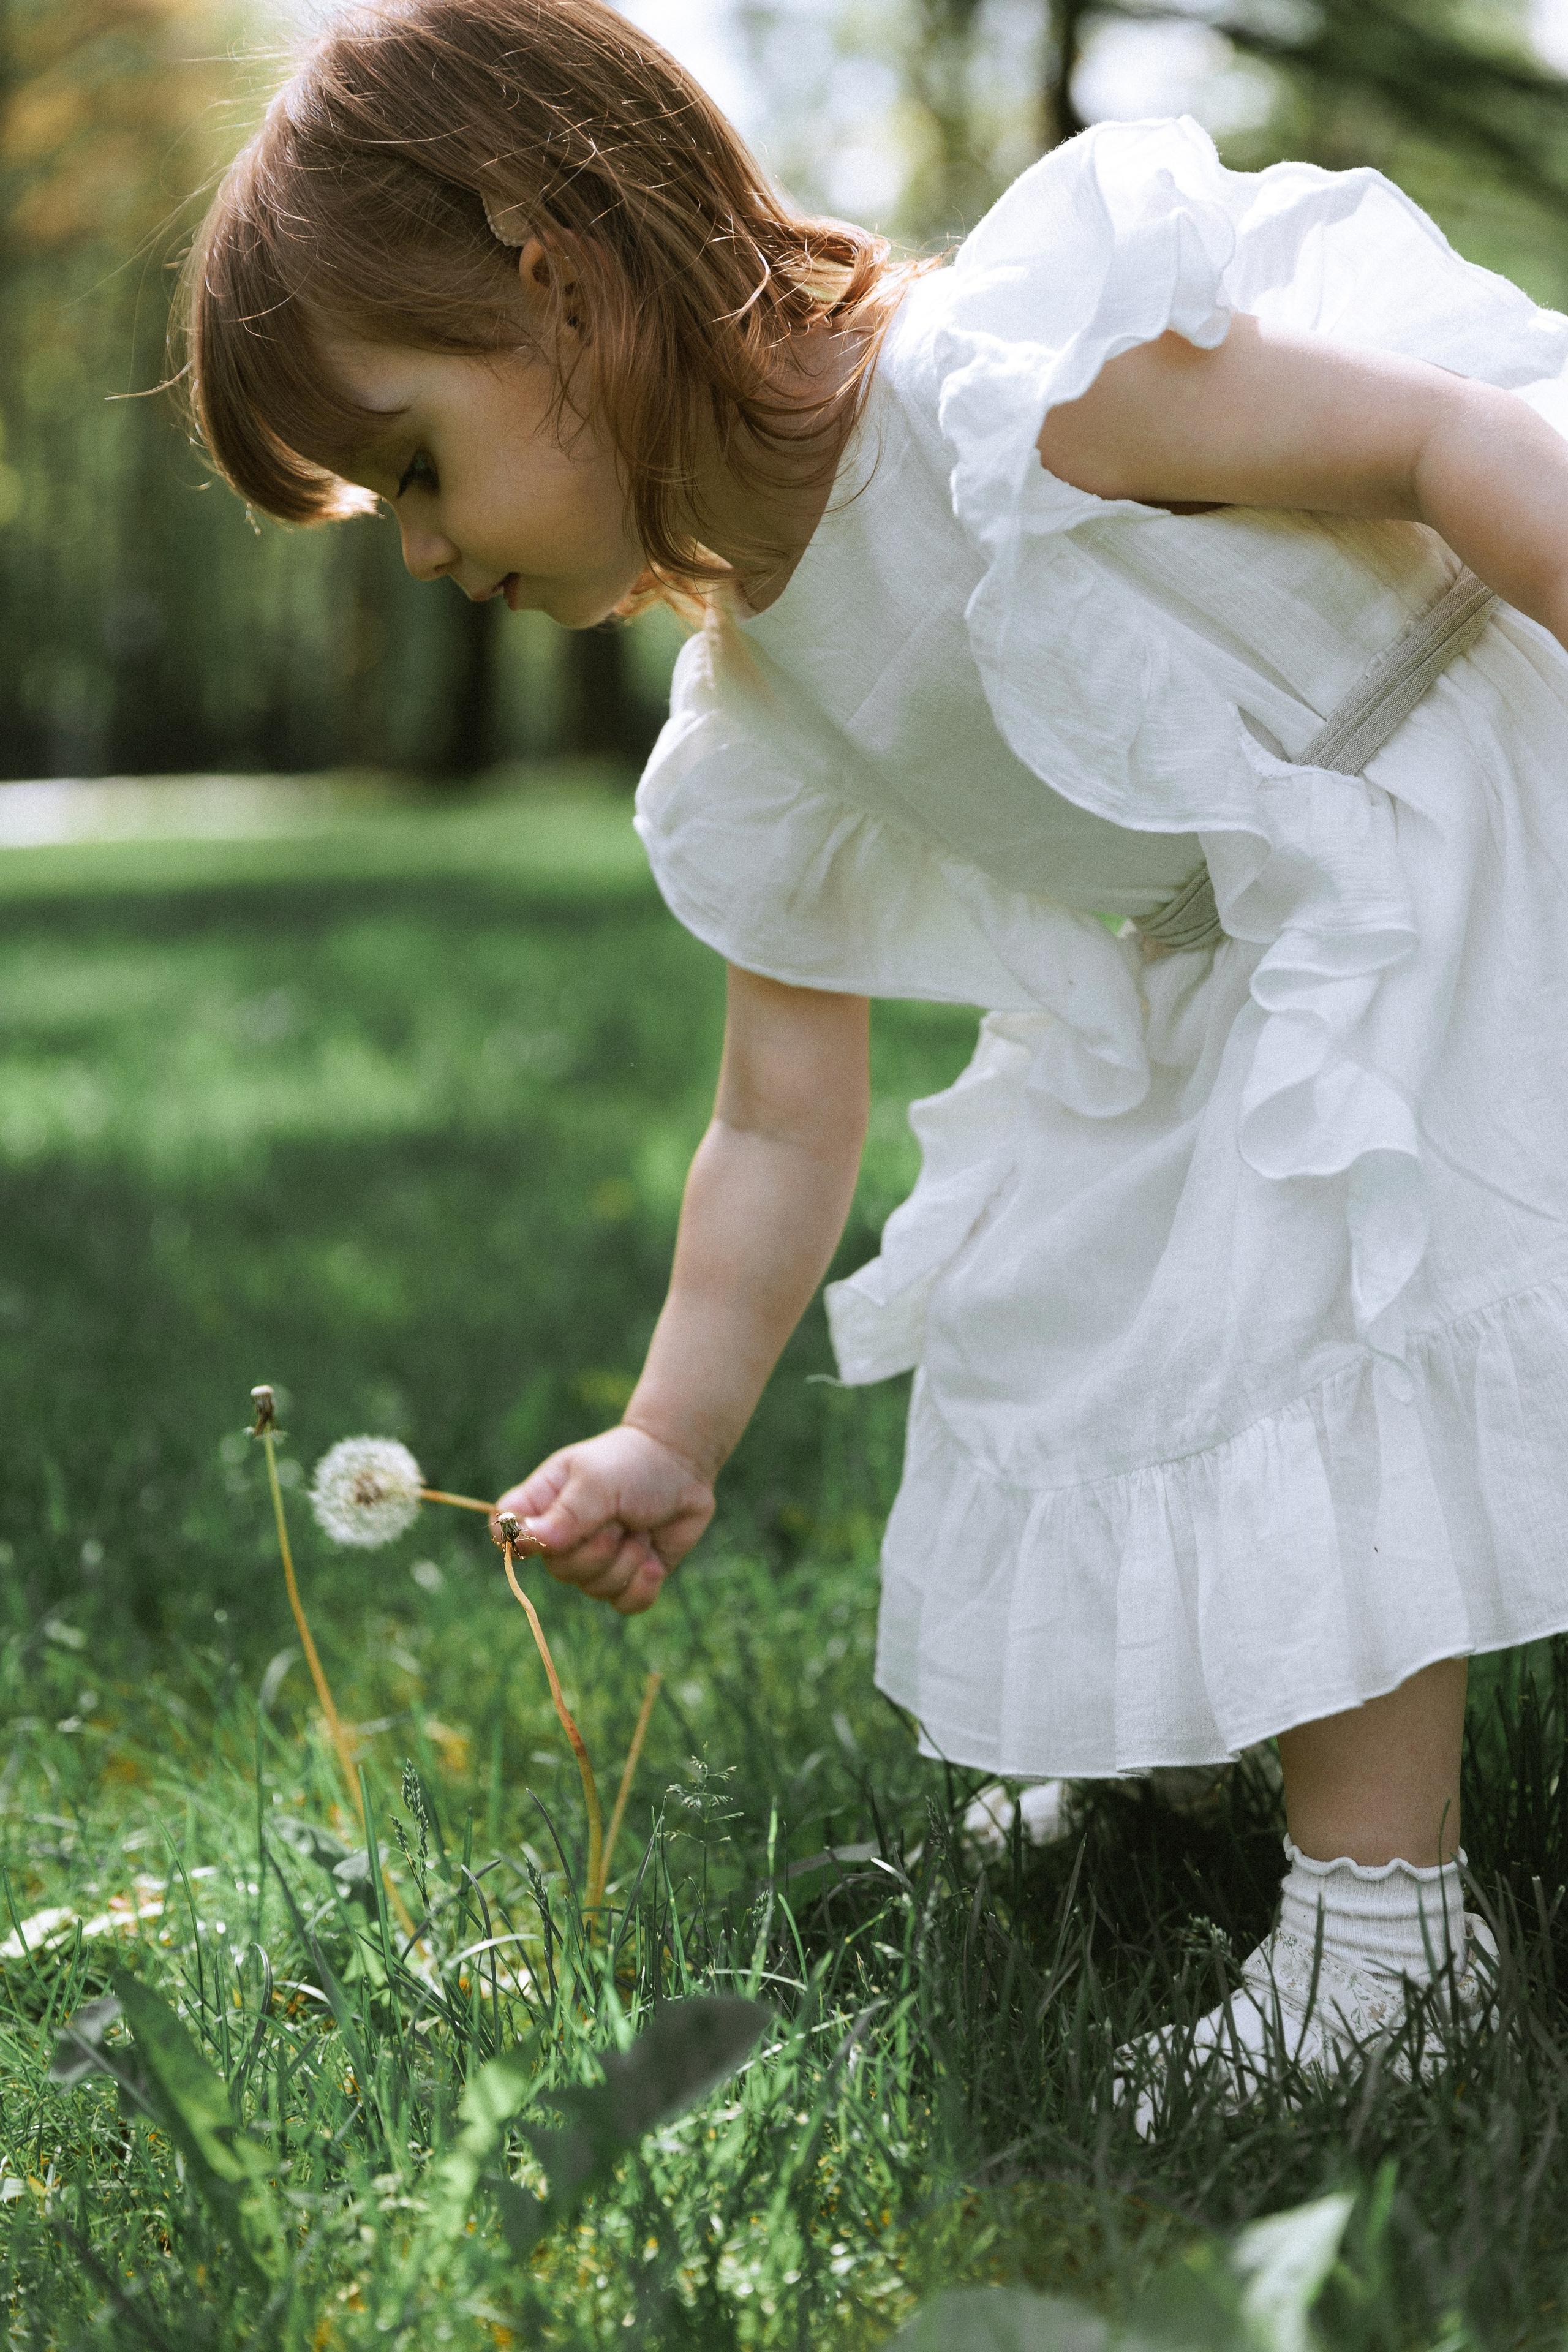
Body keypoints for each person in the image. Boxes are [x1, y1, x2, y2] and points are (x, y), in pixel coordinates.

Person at [182, 0, 1568, 2114]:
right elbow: (775, 1113)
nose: (429, 551)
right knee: (1058, 1309)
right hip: (1232, 938)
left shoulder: (1000, 392)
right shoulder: (759, 702)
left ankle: (1387, 1944)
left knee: (1319, 1302)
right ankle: (1168, 1734)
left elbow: (1435, 449)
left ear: (560, 282)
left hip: (1437, 809)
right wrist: (674, 1429)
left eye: (416, 463)